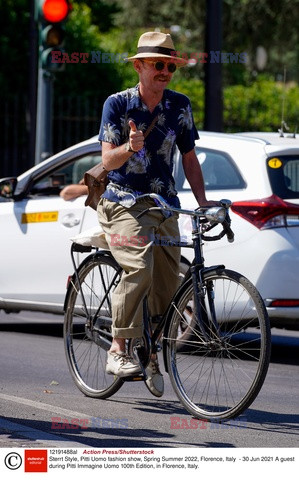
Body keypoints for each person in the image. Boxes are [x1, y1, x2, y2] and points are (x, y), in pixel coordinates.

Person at [97, 31, 213, 397]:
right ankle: (118, 348)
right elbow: (106, 160)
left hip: (164, 205)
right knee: (139, 265)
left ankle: (149, 353)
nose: (164, 71)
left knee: (167, 286)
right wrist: (129, 148)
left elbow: (190, 159)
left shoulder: (179, 105)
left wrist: (204, 202)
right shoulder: (117, 104)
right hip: (122, 201)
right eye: (157, 64)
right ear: (139, 66)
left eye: (169, 66)